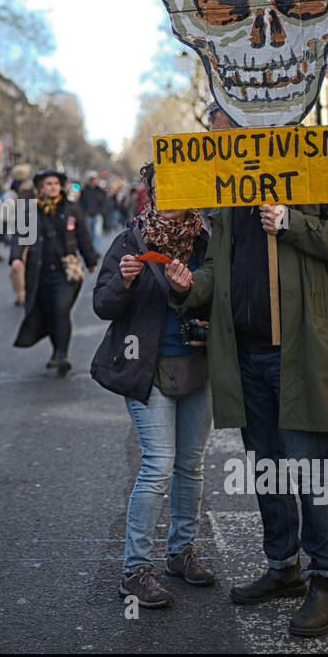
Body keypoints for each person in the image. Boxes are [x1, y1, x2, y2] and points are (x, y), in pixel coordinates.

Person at [165, 102, 328, 637]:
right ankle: (283, 567)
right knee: (268, 469)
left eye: (220, 135)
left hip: (299, 352)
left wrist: (292, 222)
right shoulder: (228, 196)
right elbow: (219, 269)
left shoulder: (313, 166)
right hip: (246, 354)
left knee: (308, 469)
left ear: (251, 130)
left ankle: (324, 579)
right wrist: (192, 287)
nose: (215, 145)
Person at [92, 162, 213, 609]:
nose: (173, 194)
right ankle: (135, 569)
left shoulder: (206, 241)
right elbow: (102, 305)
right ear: (153, 192)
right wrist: (123, 281)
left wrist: (192, 290)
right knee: (158, 465)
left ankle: (181, 553)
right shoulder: (130, 241)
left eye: (182, 185)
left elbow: (221, 295)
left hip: (197, 365)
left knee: (191, 466)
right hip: (146, 369)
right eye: (165, 186)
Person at [10, 169, 98, 377]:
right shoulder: (30, 210)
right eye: (49, 184)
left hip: (65, 272)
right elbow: (19, 236)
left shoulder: (71, 209)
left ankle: (63, 354)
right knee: (49, 313)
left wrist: (91, 260)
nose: (53, 187)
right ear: (40, 187)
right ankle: (56, 352)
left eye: (56, 184)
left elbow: (83, 236)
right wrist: (15, 258)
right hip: (39, 272)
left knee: (61, 309)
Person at [80, 174, 108, 253]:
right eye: (91, 179)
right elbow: (81, 203)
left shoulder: (100, 191)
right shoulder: (85, 191)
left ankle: (96, 251)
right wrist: (83, 212)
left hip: (98, 215)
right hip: (88, 215)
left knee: (97, 234)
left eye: (94, 179)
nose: (93, 181)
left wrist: (102, 212)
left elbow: (104, 203)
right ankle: (90, 250)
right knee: (89, 234)